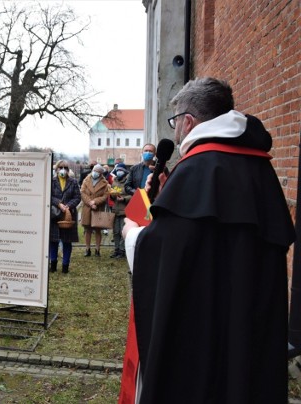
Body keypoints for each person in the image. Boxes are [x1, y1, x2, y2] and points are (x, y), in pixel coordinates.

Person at [120, 77, 295, 403]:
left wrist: (132, 235)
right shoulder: (258, 167)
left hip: (201, 334)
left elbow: (167, 256)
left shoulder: (198, 169)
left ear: (188, 122)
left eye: (175, 123)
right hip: (248, 327)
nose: (175, 132)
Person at [49, 160, 81, 274]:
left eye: (65, 168)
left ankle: (65, 266)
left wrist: (68, 206)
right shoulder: (51, 181)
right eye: (60, 167)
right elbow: (49, 196)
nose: (63, 170)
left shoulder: (73, 181)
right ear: (56, 169)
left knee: (67, 242)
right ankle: (52, 265)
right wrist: (59, 203)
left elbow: (77, 197)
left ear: (68, 170)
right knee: (53, 241)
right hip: (54, 215)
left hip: (68, 215)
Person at [80, 164, 109, 257]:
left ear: (101, 174)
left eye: (97, 172)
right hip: (87, 208)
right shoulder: (86, 180)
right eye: (94, 170)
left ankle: (97, 249)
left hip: (98, 208)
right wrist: (90, 203)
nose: (95, 173)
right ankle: (87, 249)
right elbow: (83, 193)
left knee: (97, 230)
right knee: (87, 230)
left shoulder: (105, 183)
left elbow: (105, 196)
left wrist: (95, 202)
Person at [108, 163, 130, 259]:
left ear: (125, 171)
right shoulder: (114, 181)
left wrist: (124, 199)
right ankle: (116, 249)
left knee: (123, 231)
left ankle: (122, 250)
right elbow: (112, 197)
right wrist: (112, 195)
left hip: (125, 211)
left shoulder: (128, 181)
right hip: (115, 210)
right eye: (117, 170)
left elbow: (133, 195)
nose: (119, 172)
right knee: (115, 232)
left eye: (121, 170)